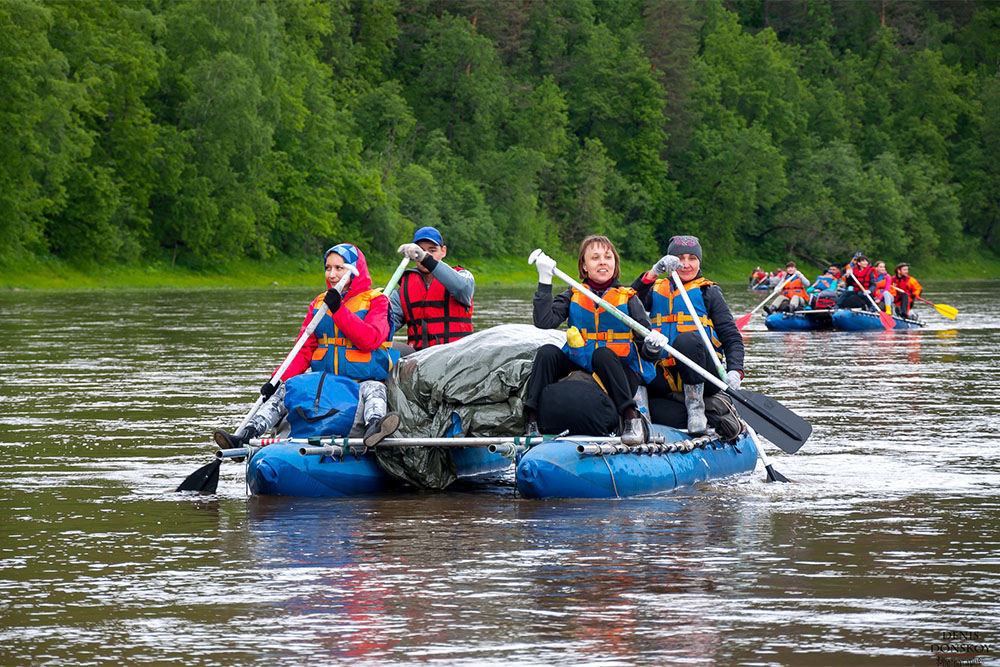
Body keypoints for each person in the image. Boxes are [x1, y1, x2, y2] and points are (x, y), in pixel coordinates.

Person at [213, 244, 401, 449]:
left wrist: (339, 309)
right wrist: (276, 379)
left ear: (355, 270)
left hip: (361, 380)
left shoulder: (377, 301)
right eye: (328, 268)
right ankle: (247, 434)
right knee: (284, 389)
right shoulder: (320, 303)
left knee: (375, 389)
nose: (332, 274)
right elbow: (303, 350)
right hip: (326, 380)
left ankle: (374, 428)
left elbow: (369, 339)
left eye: (340, 268)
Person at [524, 235, 658, 445]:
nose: (603, 261)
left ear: (615, 264)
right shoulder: (573, 293)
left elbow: (649, 352)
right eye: (595, 258)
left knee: (602, 354)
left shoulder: (628, 298)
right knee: (547, 352)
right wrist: (544, 280)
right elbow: (544, 321)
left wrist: (653, 345)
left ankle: (631, 420)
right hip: (580, 362)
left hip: (619, 371)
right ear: (584, 266)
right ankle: (532, 421)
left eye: (608, 257)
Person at [631, 235, 745, 435]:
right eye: (679, 258)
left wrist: (736, 370)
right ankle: (642, 419)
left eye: (692, 258)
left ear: (699, 261)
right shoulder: (656, 290)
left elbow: (731, 336)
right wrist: (652, 274)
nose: (685, 264)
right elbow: (626, 301)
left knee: (687, 338)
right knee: (632, 347)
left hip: (702, 372)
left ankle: (697, 409)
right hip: (665, 376)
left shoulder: (708, 292)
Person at [391, 226, 475, 354]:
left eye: (432, 250)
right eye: (420, 251)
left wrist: (425, 258)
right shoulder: (403, 289)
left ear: (443, 251)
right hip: (420, 358)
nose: (424, 255)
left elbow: (462, 288)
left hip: (457, 356)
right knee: (389, 349)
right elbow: (385, 323)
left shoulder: (463, 276)